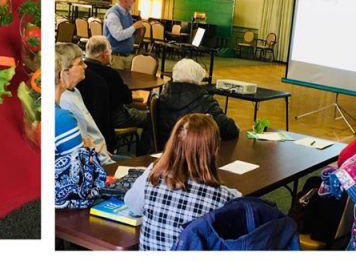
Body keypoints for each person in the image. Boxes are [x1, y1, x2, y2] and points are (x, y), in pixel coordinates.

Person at [124, 113, 241, 250]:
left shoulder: (153, 176)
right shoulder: (226, 199)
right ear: (215, 149)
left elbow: (132, 204)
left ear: (172, 143)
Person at [83, 35, 152, 153]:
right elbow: (127, 99)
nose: (111, 55)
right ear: (104, 54)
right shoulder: (110, 74)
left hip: (88, 120)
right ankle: (143, 154)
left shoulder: (81, 71)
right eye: (110, 52)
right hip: (114, 118)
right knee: (151, 117)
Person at [155, 58, 239, 148]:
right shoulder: (205, 101)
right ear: (198, 79)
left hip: (161, 149)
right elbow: (230, 130)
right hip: (193, 152)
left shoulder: (162, 97)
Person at [56, 42, 117, 165]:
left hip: (101, 156)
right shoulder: (65, 102)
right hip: (99, 165)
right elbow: (82, 151)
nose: (85, 66)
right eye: (80, 63)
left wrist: (102, 149)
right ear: (64, 72)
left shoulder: (75, 91)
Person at [102, 0, 147, 70]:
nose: (134, 2)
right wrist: (134, 27)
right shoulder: (113, 14)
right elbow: (118, 36)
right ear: (125, 0)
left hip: (126, 56)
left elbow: (128, 33)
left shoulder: (127, 13)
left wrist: (137, 31)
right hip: (116, 57)